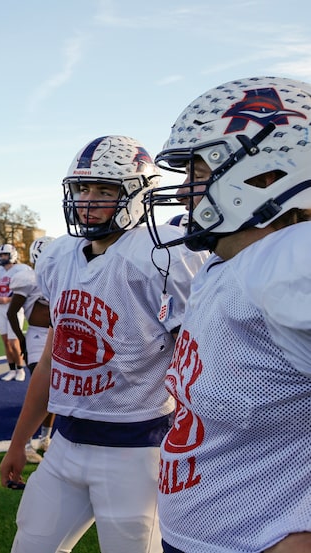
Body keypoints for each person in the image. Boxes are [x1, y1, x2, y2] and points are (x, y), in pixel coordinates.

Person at [0, 135, 206, 553]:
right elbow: (54, 361)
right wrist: (20, 440)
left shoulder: (162, 256)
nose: (88, 200)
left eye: (105, 189)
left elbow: (198, 368)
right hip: (67, 442)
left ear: (136, 194)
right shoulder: (59, 256)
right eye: (81, 188)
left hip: (138, 449)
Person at [142, 76, 311, 553]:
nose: (185, 191)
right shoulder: (225, 264)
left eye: (198, 170)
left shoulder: (290, 258)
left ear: (263, 173)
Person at [6, 236, 55, 462]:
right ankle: (25, 443)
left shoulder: (62, 275)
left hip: (57, 336)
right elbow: (10, 312)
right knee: (40, 390)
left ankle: (46, 439)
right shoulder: (28, 278)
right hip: (36, 336)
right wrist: (22, 340)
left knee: (55, 391)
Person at [0, 244, 31, 383]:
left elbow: (23, 293)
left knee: (14, 342)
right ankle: (11, 369)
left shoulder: (21, 270)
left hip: (14, 308)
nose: (3, 258)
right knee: (5, 342)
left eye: (5, 255)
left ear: (12, 255)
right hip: (1, 309)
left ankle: (20, 368)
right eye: (1, 255)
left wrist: (7, 299)